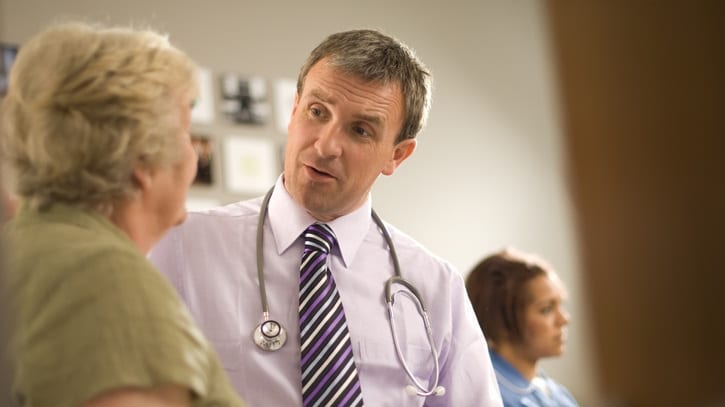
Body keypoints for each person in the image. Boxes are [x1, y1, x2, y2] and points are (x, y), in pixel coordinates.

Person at [150, 29, 503, 406]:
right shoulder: (184, 246)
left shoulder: (434, 287)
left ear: (397, 156)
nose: (325, 146)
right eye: (317, 112)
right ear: (294, 109)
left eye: (360, 130)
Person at [0, 22, 245, 407]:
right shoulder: (102, 274)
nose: (194, 154)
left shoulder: (22, 246)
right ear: (142, 161)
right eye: (185, 132)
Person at [465, 248, 579, 407]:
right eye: (546, 309)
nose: (564, 319)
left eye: (561, 304)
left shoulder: (556, 393)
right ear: (501, 321)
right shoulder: (491, 398)